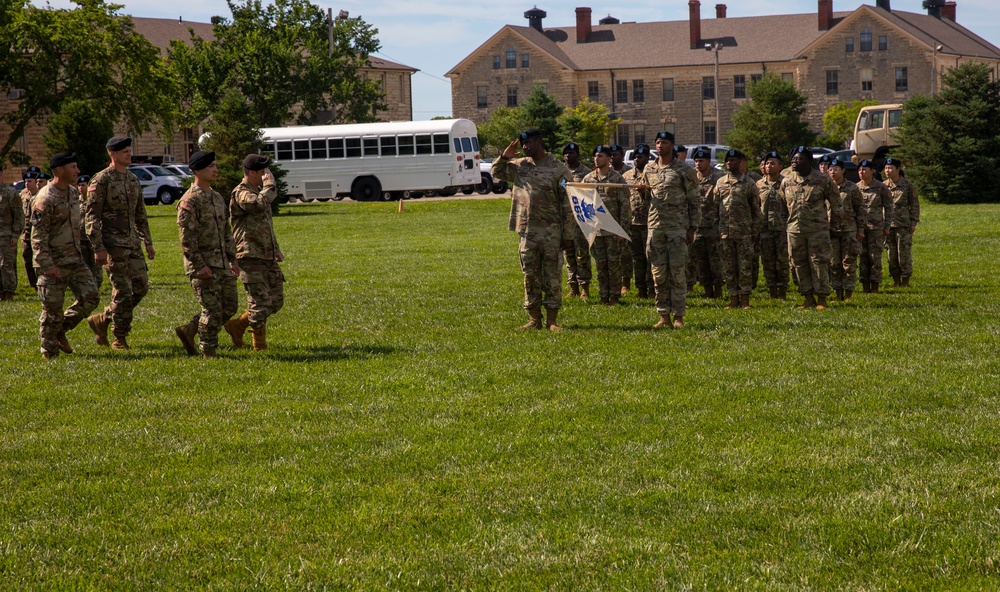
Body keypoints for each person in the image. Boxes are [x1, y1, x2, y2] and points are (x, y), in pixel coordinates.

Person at [492, 129, 575, 331]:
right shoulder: (520, 166)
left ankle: (552, 320)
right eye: (522, 144)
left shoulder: (558, 169)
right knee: (530, 275)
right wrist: (504, 156)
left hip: (551, 231)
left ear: (539, 142)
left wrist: (568, 234)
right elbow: (496, 172)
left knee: (552, 275)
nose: (524, 147)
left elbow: (568, 204)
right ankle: (534, 318)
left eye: (528, 143)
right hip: (527, 231)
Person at [84, 137, 153, 350]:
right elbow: (91, 216)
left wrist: (147, 242)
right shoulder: (101, 180)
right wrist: (98, 247)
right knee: (123, 291)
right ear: (112, 154)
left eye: (129, 151)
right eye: (124, 151)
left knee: (140, 287)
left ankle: (103, 319)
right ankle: (119, 337)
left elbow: (140, 214)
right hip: (112, 246)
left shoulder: (133, 180)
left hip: (132, 244)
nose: (129, 154)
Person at [30, 153, 100, 359]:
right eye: (73, 167)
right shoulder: (44, 199)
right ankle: (49, 353)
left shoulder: (71, 192)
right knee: (52, 311)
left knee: (91, 297)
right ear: (59, 170)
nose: (77, 171)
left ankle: (61, 328)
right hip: (52, 263)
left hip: (75, 260)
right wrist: (46, 265)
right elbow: (37, 237)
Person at [174, 151, 240, 357]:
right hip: (202, 266)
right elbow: (187, 239)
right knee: (212, 311)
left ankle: (191, 329)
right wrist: (199, 265)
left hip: (221, 263)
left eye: (215, 165)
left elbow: (226, 232)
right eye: (210, 166)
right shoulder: (190, 201)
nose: (215, 169)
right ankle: (208, 350)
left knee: (229, 306)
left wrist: (233, 259)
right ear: (197, 171)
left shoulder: (217, 197)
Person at [637, 131, 700, 329]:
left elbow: (694, 201)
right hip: (655, 227)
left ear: (672, 145)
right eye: (657, 142)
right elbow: (648, 200)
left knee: (677, 273)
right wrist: (642, 193)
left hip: (677, 228)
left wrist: (692, 228)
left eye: (664, 142)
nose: (659, 146)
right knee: (658, 274)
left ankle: (679, 316)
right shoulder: (649, 168)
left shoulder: (684, 170)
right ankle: (663, 315)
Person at [224, 154, 285, 351]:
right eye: (263, 172)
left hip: (266, 254)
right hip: (249, 255)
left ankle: (238, 325)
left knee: (275, 301)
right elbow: (256, 204)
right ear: (252, 173)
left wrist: (275, 249)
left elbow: (266, 224)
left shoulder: (259, 191)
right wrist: (269, 187)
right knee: (260, 303)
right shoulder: (241, 193)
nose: (267, 175)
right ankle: (259, 345)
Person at [780, 146, 842, 310]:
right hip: (794, 230)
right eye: (793, 159)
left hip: (817, 230)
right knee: (798, 264)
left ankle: (821, 298)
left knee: (819, 263)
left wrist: (834, 226)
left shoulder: (822, 180)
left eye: (799, 159)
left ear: (809, 162)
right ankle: (807, 297)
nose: (794, 161)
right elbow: (781, 206)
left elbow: (836, 204)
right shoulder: (786, 181)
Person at [583, 145, 630, 305]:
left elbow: (625, 206)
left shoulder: (617, 179)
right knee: (601, 265)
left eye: (601, 156)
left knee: (614, 265)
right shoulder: (588, 179)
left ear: (609, 159)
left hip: (613, 229)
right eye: (595, 156)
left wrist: (622, 229)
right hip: (596, 230)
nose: (597, 159)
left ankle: (615, 296)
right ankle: (604, 295)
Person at [715, 150, 762, 309]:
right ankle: (733, 298)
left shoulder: (749, 183)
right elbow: (715, 207)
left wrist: (754, 231)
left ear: (740, 162)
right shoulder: (720, 182)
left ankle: (745, 299)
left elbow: (756, 210)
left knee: (745, 267)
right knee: (728, 267)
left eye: (733, 160)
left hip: (744, 232)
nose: (729, 163)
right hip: (725, 232)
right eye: (727, 160)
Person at [688, 146, 724, 298]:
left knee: (716, 260)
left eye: (701, 161)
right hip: (697, 228)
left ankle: (718, 290)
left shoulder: (719, 178)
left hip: (714, 226)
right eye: (696, 161)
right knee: (700, 261)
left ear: (709, 161)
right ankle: (707, 290)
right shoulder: (691, 179)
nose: (698, 164)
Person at [827, 158, 865, 301]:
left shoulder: (852, 188)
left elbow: (860, 209)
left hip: (849, 230)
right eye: (830, 169)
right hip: (831, 230)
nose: (833, 172)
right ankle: (838, 293)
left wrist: (860, 229)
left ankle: (848, 293)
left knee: (848, 262)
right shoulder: (826, 187)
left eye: (836, 169)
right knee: (834, 263)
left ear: (843, 171)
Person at [560, 142, 593, 299]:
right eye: (565, 153)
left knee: (582, 254)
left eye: (571, 153)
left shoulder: (586, 173)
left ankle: (584, 287)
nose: (568, 156)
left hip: (580, 219)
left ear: (578, 155)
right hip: (564, 219)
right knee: (569, 254)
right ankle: (573, 286)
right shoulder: (559, 172)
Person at [882, 157, 920, 287]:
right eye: (886, 168)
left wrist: (913, 223)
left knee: (903, 254)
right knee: (891, 254)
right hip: (887, 226)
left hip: (903, 225)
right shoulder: (883, 186)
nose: (888, 170)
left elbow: (914, 205)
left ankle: (905, 280)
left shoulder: (907, 186)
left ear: (898, 169)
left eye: (890, 168)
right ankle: (895, 280)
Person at [856, 159, 892, 293]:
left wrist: (887, 226)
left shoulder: (881, 187)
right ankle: (865, 285)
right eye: (859, 170)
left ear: (872, 171)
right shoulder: (855, 188)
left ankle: (875, 285)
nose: (862, 172)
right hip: (861, 229)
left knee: (875, 257)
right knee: (863, 257)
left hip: (876, 228)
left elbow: (889, 207)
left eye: (865, 170)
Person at [757, 151, 789, 299]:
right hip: (765, 230)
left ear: (780, 166)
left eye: (773, 163)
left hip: (782, 229)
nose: (769, 166)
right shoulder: (758, 185)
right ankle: (772, 292)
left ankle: (782, 291)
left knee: (782, 261)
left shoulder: (786, 183)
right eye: (767, 163)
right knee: (768, 262)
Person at [623, 144, 653, 299]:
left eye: (640, 157)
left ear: (647, 158)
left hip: (650, 223)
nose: (636, 159)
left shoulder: (653, 174)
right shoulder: (627, 176)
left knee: (651, 258)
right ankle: (641, 289)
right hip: (633, 224)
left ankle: (652, 289)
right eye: (635, 157)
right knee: (638, 258)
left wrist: (645, 192)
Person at [609, 144, 633, 294]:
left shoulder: (628, 173)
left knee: (625, 254)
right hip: (608, 219)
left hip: (624, 217)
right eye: (610, 155)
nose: (613, 157)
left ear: (622, 156)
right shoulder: (606, 173)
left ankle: (626, 283)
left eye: (616, 155)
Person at [75, 175, 103, 291]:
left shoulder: (93, 201)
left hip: (92, 238)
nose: (81, 188)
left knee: (96, 266)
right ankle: (89, 287)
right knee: (85, 265)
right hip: (81, 238)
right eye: (79, 185)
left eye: (83, 185)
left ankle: (97, 284)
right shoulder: (76, 202)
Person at [0, 164, 24, 301]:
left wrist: (15, 235)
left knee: (6, 264)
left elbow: (19, 216)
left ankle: (8, 291)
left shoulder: (11, 193)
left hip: (7, 235)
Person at [20, 166, 44, 291]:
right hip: (26, 233)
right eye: (26, 181)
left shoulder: (42, 194)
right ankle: (33, 283)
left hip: (38, 232)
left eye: (31, 180)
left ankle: (42, 282)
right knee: (27, 258)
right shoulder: (22, 194)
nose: (27, 183)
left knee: (40, 258)